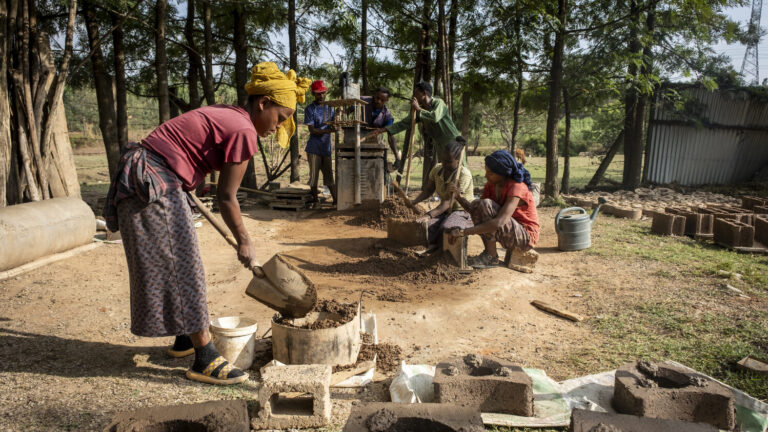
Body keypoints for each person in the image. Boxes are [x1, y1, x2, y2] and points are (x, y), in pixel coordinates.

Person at [103, 62, 310, 385]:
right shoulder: (243, 130)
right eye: (280, 118)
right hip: (153, 180)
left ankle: (186, 336)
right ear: (263, 103)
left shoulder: (231, 114)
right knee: (183, 267)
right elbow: (228, 197)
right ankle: (205, 358)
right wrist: (244, 240)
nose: (277, 128)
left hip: (148, 173)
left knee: (175, 262)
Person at [448, 149, 539, 269]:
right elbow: (475, 211)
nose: (486, 176)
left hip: (524, 237)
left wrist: (463, 232)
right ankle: (489, 254)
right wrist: (459, 197)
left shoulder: (517, 187)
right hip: (509, 231)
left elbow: (499, 222)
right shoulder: (491, 186)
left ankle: (491, 257)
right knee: (478, 204)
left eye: (490, 173)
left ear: (503, 173)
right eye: (486, 172)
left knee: (485, 204)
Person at [378, 81, 463, 178]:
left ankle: (463, 193)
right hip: (441, 146)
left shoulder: (439, 103)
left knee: (460, 169)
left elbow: (435, 117)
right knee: (446, 171)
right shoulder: (419, 110)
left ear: (424, 93)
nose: (413, 95)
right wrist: (386, 129)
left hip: (453, 142)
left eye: (416, 93)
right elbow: (404, 123)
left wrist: (418, 108)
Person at [409, 137, 474, 247]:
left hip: (461, 211)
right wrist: (414, 201)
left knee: (447, 229)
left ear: (458, 160)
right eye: (443, 160)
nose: (444, 164)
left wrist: (429, 215)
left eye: (448, 161)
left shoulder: (463, 175)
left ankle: (448, 255)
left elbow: (449, 202)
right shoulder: (437, 169)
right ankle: (433, 248)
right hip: (443, 211)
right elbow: (429, 190)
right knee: (425, 227)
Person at [304, 80, 337, 204]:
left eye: (323, 93)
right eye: (319, 94)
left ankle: (336, 200)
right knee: (314, 177)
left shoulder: (330, 108)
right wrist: (329, 130)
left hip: (326, 148)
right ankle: (315, 200)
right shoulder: (310, 109)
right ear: (313, 94)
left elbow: (335, 123)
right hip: (314, 148)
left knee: (329, 176)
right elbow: (312, 130)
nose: (322, 96)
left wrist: (337, 124)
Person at [361, 87, 400, 168]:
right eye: (377, 98)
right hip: (358, 141)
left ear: (387, 100)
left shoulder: (387, 115)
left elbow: (390, 134)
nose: (378, 101)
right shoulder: (362, 101)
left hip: (374, 146)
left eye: (382, 100)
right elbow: (348, 108)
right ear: (374, 96)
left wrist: (397, 157)